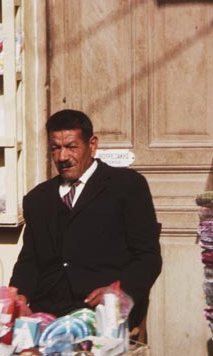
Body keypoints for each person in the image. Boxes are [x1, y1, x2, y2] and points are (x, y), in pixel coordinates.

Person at [10, 109, 162, 331]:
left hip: (103, 314)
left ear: (92, 145)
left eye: (71, 147)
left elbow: (148, 258)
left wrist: (117, 291)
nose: (62, 157)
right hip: (48, 314)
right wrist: (20, 296)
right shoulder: (37, 199)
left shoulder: (127, 186)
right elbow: (30, 260)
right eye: (55, 148)